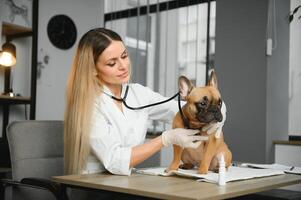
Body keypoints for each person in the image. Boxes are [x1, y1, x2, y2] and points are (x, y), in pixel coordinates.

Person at [64, 28, 226, 176]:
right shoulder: (90, 105)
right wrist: (165, 139)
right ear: (93, 69)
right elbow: (114, 161)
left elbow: (180, 110)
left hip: (127, 182)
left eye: (124, 56)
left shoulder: (137, 93)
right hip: (94, 186)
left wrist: (217, 114)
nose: (123, 66)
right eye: (112, 63)